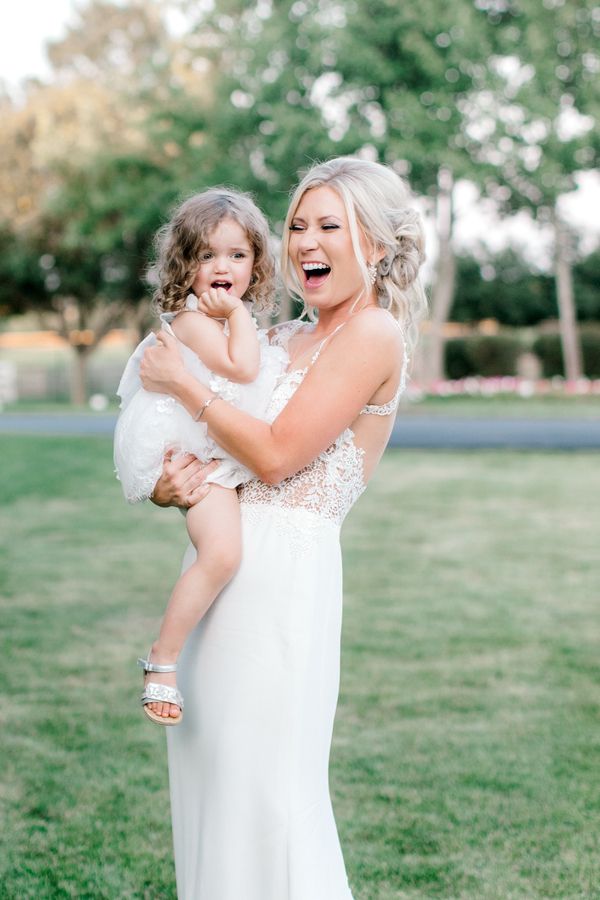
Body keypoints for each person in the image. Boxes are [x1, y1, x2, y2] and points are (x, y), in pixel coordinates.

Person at [140, 157, 427, 899]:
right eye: (297, 225)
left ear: (377, 242)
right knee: (214, 786)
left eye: (329, 225)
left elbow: (273, 456)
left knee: (268, 797)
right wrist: (173, 486)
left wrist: (186, 387)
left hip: (282, 586)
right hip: (222, 569)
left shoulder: (371, 335)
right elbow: (225, 457)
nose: (306, 242)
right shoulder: (285, 336)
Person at [113, 188, 287, 725]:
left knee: (226, 555)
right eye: (207, 255)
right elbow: (241, 370)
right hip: (191, 453)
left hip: (214, 449)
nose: (222, 267)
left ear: (256, 263)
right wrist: (237, 315)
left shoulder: (223, 321)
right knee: (222, 555)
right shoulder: (191, 320)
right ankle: (162, 660)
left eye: (238, 255)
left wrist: (237, 318)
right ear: (185, 265)